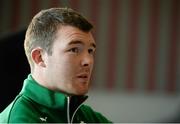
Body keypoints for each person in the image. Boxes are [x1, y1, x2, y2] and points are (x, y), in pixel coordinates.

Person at [0, 7, 112, 123]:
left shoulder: (87, 116)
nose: (88, 61)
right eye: (74, 49)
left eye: (90, 51)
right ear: (40, 57)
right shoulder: (19, 119)